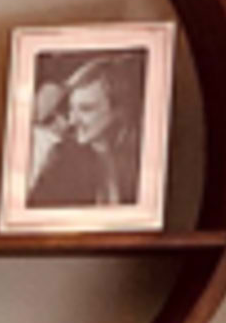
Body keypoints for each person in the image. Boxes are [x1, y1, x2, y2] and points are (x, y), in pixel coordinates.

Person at [27, 58, 141, 211]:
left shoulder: (140, 155)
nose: (72, 121)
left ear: (119, 110)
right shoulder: (62, 158)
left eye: (86, 109)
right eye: (71, 109)